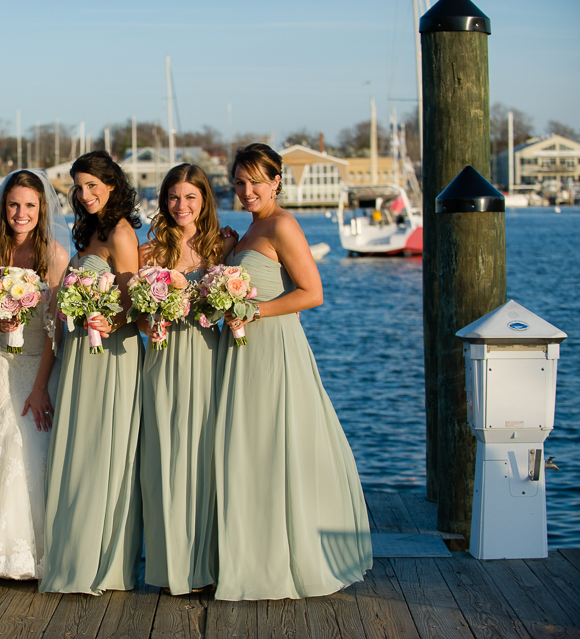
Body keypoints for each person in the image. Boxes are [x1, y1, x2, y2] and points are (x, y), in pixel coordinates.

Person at [214, 143, 372, 601]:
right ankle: (253, 552)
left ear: (276, 181)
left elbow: (312, 292)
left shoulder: (282, 224)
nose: (246, 191)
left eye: (255, 182)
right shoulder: (250, 228)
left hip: (274, 350)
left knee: (274, 446)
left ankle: (287, 556)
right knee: (250, 450)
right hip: (242, 353)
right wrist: (226, 252)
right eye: (240, 183)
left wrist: (257, 311)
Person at [40, 150, 144, 595]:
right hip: (81, 352)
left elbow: (134, 300)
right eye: (78, 188)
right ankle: (73, 552)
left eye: (92, 186)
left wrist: (110, 321)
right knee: (80, 447)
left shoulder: (120, 232)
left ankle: (103, 560)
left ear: (113, 185)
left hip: (111, 357)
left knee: (104, 449)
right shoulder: (89, 232)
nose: (84, 195)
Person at [137, 163, 236, 595]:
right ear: (164, 201)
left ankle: (206, 567)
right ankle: (169, 566)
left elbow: (235, 300)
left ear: (204, 201)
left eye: (190, 197)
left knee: (204, 459)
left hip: (206, 357)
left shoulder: (223, 248)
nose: (181, 205)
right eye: (174, 197)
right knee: (162, 459)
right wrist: (151, 321)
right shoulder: (149, 253)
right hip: (162, 358)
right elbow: (137, 316)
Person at [0, 169, 70, 580]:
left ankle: (36, 550)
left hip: (37, 361)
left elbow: (56, 327)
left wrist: (42, 385)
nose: (20, 213)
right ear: (2, 207)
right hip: (0, 357)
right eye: (13, 204)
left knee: (32, 436)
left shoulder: (55, 256)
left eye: (30, 205)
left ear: (42, 207)